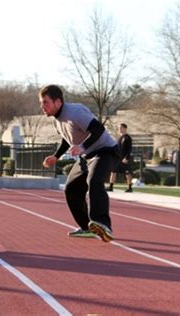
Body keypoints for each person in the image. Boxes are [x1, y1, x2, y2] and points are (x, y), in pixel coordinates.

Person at [40, 85, 120, 242]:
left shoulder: (75, 112)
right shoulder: (57, 120)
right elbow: (67, 137)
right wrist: (56, 156)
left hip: (106, 151)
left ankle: (103, 225)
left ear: (57, 102)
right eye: (41, 103)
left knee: (94, 181)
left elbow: (98, 129)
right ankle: (87, 227)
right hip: (87, 156)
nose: (42, 107)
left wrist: (82, 146)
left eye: (45, 102)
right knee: (71, 189)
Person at [106, 123, 133, 192]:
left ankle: (130, 187)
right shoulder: (120, 138)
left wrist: (126, 158)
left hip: (125, 159)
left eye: (121, 128)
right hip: (118, 158)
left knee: (127, 173)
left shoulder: (128, 138)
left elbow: (129, 149)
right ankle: (111, 186)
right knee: (113, 171)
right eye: (119, 128)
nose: (119, 129)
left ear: (125, 128)